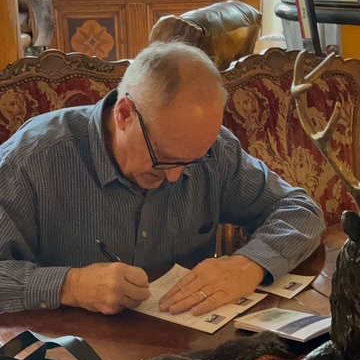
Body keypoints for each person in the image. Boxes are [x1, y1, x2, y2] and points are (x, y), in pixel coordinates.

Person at [0, 42, 325, 316]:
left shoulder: (213, 153)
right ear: (124, 114)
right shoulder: (32, 160)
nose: (174, 176)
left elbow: (299, 209)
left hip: (185, 353)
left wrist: (247, 265)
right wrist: (70, 286)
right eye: (163, 158)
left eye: (191, 160)